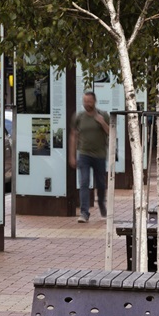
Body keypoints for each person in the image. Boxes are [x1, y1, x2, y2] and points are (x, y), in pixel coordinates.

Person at [69, 91, 109, 223]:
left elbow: (111, 132)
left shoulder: (103, 115)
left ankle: (102, 205)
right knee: (84, 182)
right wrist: (72, 156)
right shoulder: (79, 117)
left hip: (100, 155)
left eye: (89, 101)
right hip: (84, 154)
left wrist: (102, 123)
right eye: (85, 101)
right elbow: (74, 135)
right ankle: (84, 212)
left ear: (94, 101)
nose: (87, 104)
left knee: (101, 184)